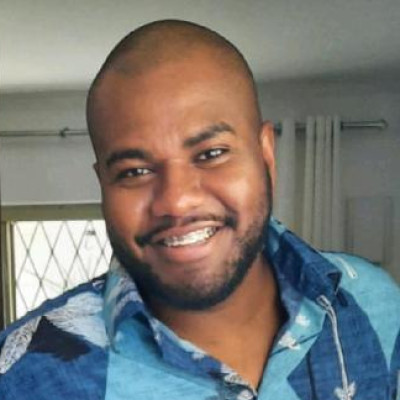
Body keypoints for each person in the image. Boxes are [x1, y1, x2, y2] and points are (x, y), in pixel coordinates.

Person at [0, 20, 399, 400]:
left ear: (266, 156)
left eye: (211, 154)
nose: (176, 201)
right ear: (103, 183)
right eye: (134, 171)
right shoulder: (23, 379)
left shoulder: (372, 303)